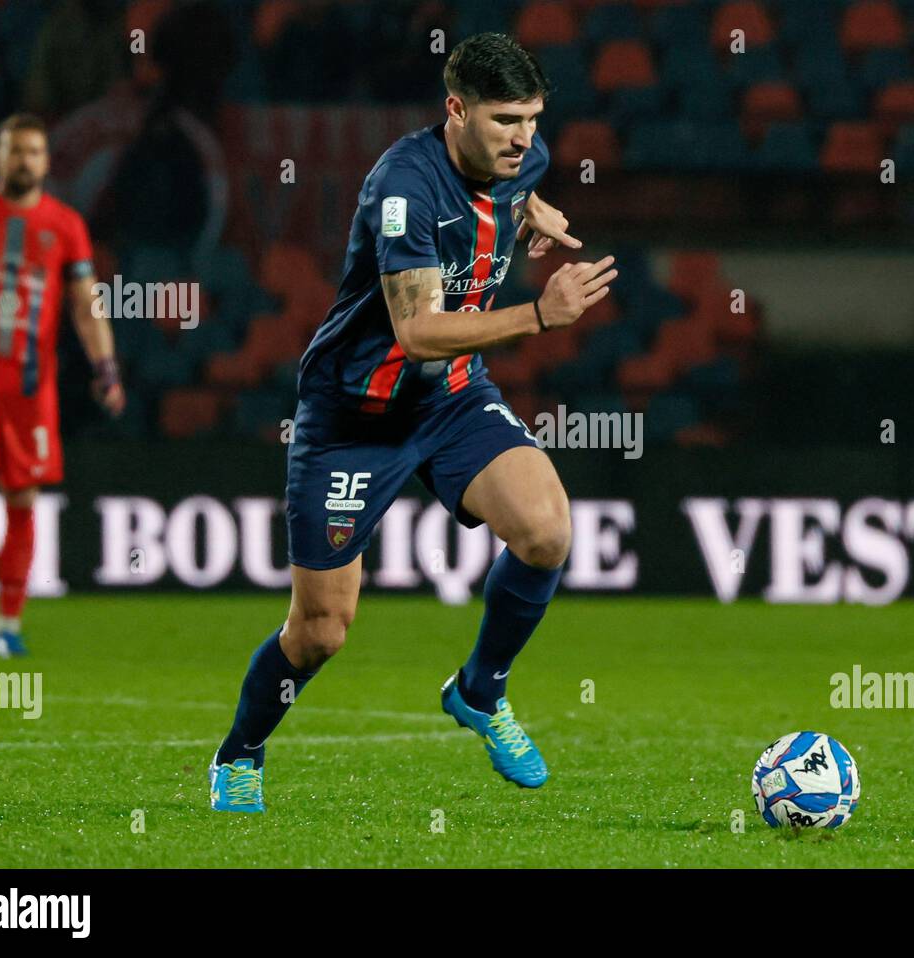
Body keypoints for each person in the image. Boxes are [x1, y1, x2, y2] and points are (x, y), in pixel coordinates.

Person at [209, 33, 616, 812]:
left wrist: (532, 208)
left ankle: (480, 691)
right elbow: (417, 332)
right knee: (321, 630)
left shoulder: (522, 158)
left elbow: (512, 187)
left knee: (547, 531)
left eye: (532, 117)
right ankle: (242, 752)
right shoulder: (402, 186)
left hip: (452, 398)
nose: (524, 136)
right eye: (504, 120)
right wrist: (539, 313)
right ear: (455, 109)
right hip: (355, 414)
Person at [0, 113, 124, 658]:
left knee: (23, 497)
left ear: (46, 161)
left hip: (30, 388)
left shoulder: (64, 225)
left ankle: (9, 622)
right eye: (16, 150)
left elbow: (86, 305)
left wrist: (106, 367)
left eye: (35, 152)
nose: (25, 161)